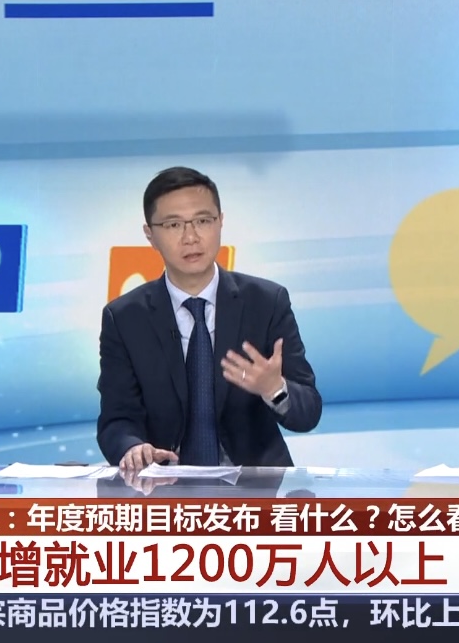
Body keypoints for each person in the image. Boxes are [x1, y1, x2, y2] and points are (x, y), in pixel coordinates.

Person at [97, 166, 322, 472]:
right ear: (150, 235)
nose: (191, 237)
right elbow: (116, 419)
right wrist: (132, 448)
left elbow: (308, 413)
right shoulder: (124, 318)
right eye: (173, 224)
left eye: (203, 221)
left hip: (254, 486)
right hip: (163, 484)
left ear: (220, 222)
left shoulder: (267, 302)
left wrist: (274, 388)